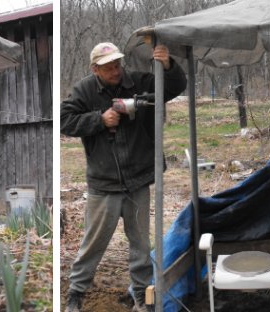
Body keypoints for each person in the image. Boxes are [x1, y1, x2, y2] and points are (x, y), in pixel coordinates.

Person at [60, 42, 187, 312]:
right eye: (109, 67)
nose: (116, 70)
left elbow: (174, 88)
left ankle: (141, 294)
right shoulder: (84, 90)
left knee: (141, 243)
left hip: (138, 178)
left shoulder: (139, 83)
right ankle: (76, 293)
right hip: (104, 183)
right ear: (95, 69)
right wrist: (98, 119)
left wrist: (168, 66)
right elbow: (65, 120)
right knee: (93, 244)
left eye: (118, 64)